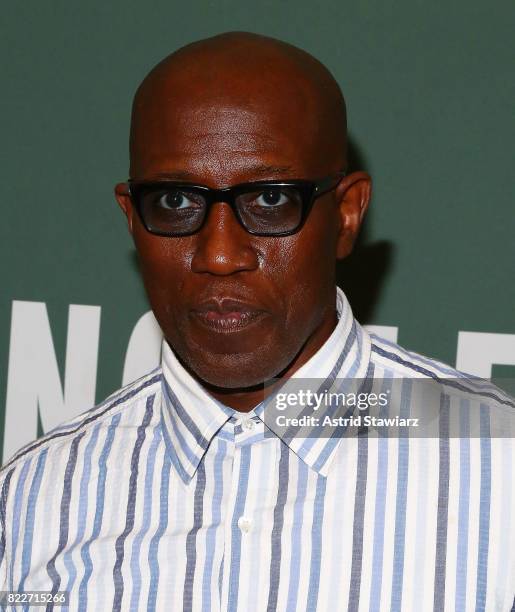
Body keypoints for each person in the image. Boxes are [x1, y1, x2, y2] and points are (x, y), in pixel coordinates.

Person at [0, 32, 514, 612]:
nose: (220, 254)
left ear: (347, 215)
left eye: (271, 200)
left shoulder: (500, 469)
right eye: (174, 203)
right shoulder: (32, 500)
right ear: (131, 218)